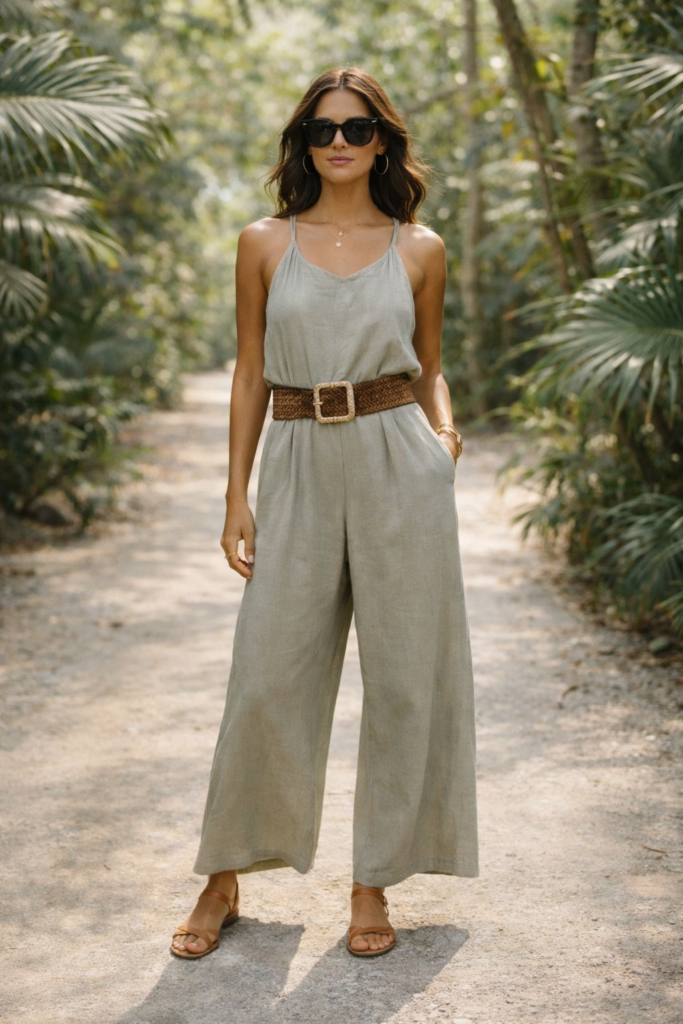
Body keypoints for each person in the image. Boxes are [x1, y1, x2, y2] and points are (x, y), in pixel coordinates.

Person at [170, 65, 478, 961]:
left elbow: (430, 360)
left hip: (397, 457)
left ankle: (372, 880)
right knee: (267, 672)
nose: (337, 144)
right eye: (320, 130)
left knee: (404, 675)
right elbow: (248, 370)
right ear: (301, 143)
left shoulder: (419, 246)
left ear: (382, 139)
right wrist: (236, 492)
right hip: (298, 453)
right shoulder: (263, 241)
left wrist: (445, 435)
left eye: (354, 129)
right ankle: (224, 875)